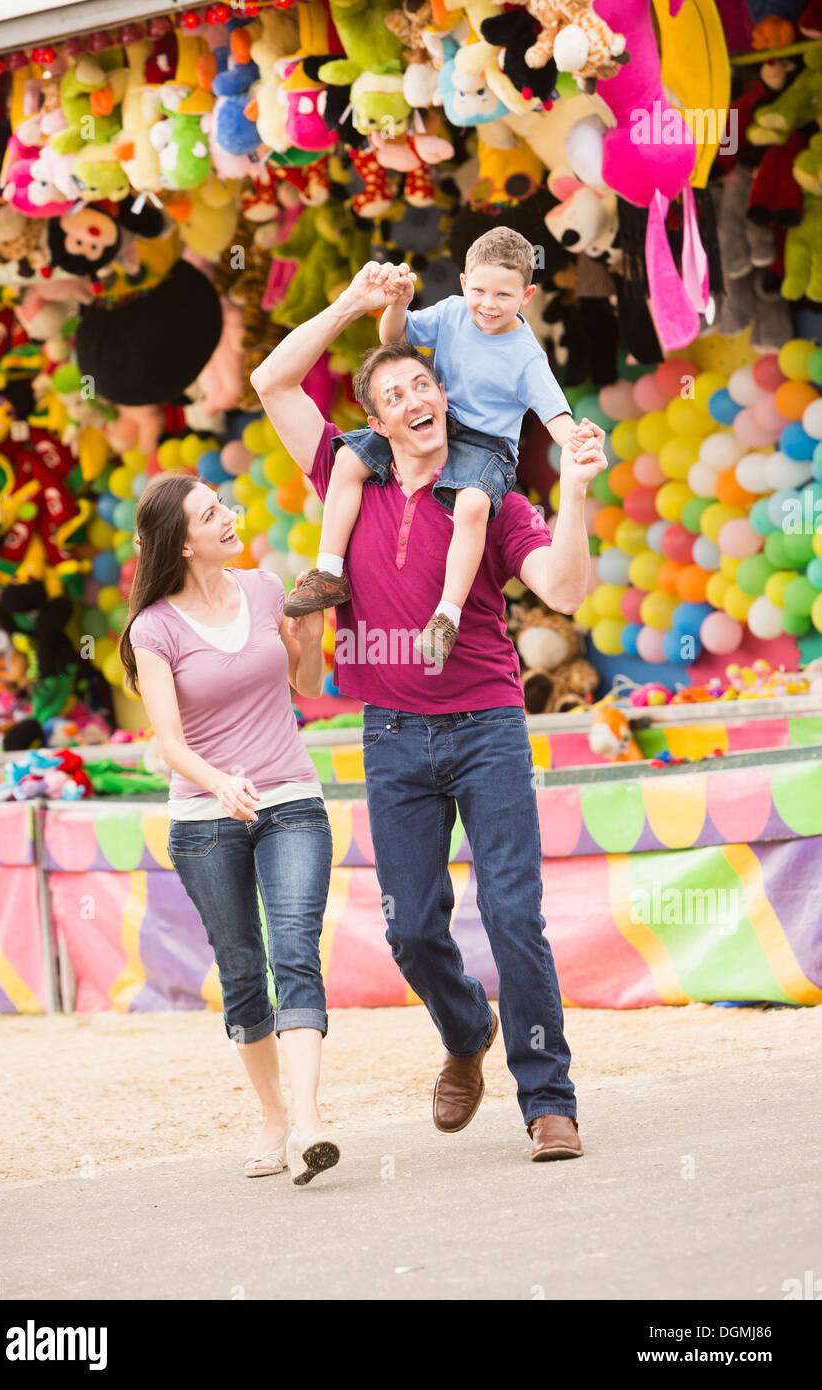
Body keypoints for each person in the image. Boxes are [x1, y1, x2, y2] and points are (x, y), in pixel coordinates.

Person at [251, 261, 608, 1163]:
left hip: (487, 724)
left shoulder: (496, 496)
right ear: (374, 422)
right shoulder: (347, 471)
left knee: (514, 915)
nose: (417, 397)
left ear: (442, 398)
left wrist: (581, 487)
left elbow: (566, 589)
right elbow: (271, 381)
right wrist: (357, 305)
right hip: (393, 735)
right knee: (411, 928)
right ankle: (464, 1033)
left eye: (425, 384)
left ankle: (548, 1098)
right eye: (396, 391)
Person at [118, 472, 339, 1186]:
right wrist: (220, 782)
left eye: (225, 506)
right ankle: (273, 1115)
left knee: (296, 950)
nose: (230, 517)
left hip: (291, 800)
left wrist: (308, 640)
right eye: (213, 513)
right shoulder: (153, 629)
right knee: (244, 969)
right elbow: (169, 744)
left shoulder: (267, 589)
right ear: (183, 541)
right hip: (207, 819)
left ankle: (308, 1123)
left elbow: (305, 687)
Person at [283, 227, 598, 669]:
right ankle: (330, 571)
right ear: (465, 283)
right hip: (440, 420)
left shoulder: (526, 357)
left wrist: (577, 445)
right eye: (480, 291)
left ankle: (446, 618)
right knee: (349, 460)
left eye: (503, 296)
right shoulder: (452, 312)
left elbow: (555, 415)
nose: (489, 305)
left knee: (471, 506)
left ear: (526, 295)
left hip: (487, 447)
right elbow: (396, 339)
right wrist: (398, 302)